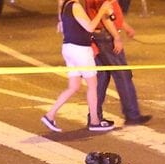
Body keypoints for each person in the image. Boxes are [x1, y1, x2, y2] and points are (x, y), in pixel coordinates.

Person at [41, 0, 115, 133]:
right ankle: (94, 121)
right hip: (80, 50)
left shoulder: (64, 5)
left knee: (73, 86)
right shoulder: (75, 6)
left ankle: (50, 115)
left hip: (69, 48)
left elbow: (63, 26)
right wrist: (102, 10)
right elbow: (90, 27)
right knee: (93, 85)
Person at [87, 0, 151, 127]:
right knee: (123, 75)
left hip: (98, 35)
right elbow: (106, 16)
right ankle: (132, 115)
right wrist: (116, 37)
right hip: (106, 37)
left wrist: (125, 27)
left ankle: (95, 116)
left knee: (102, 77)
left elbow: (112, 14)